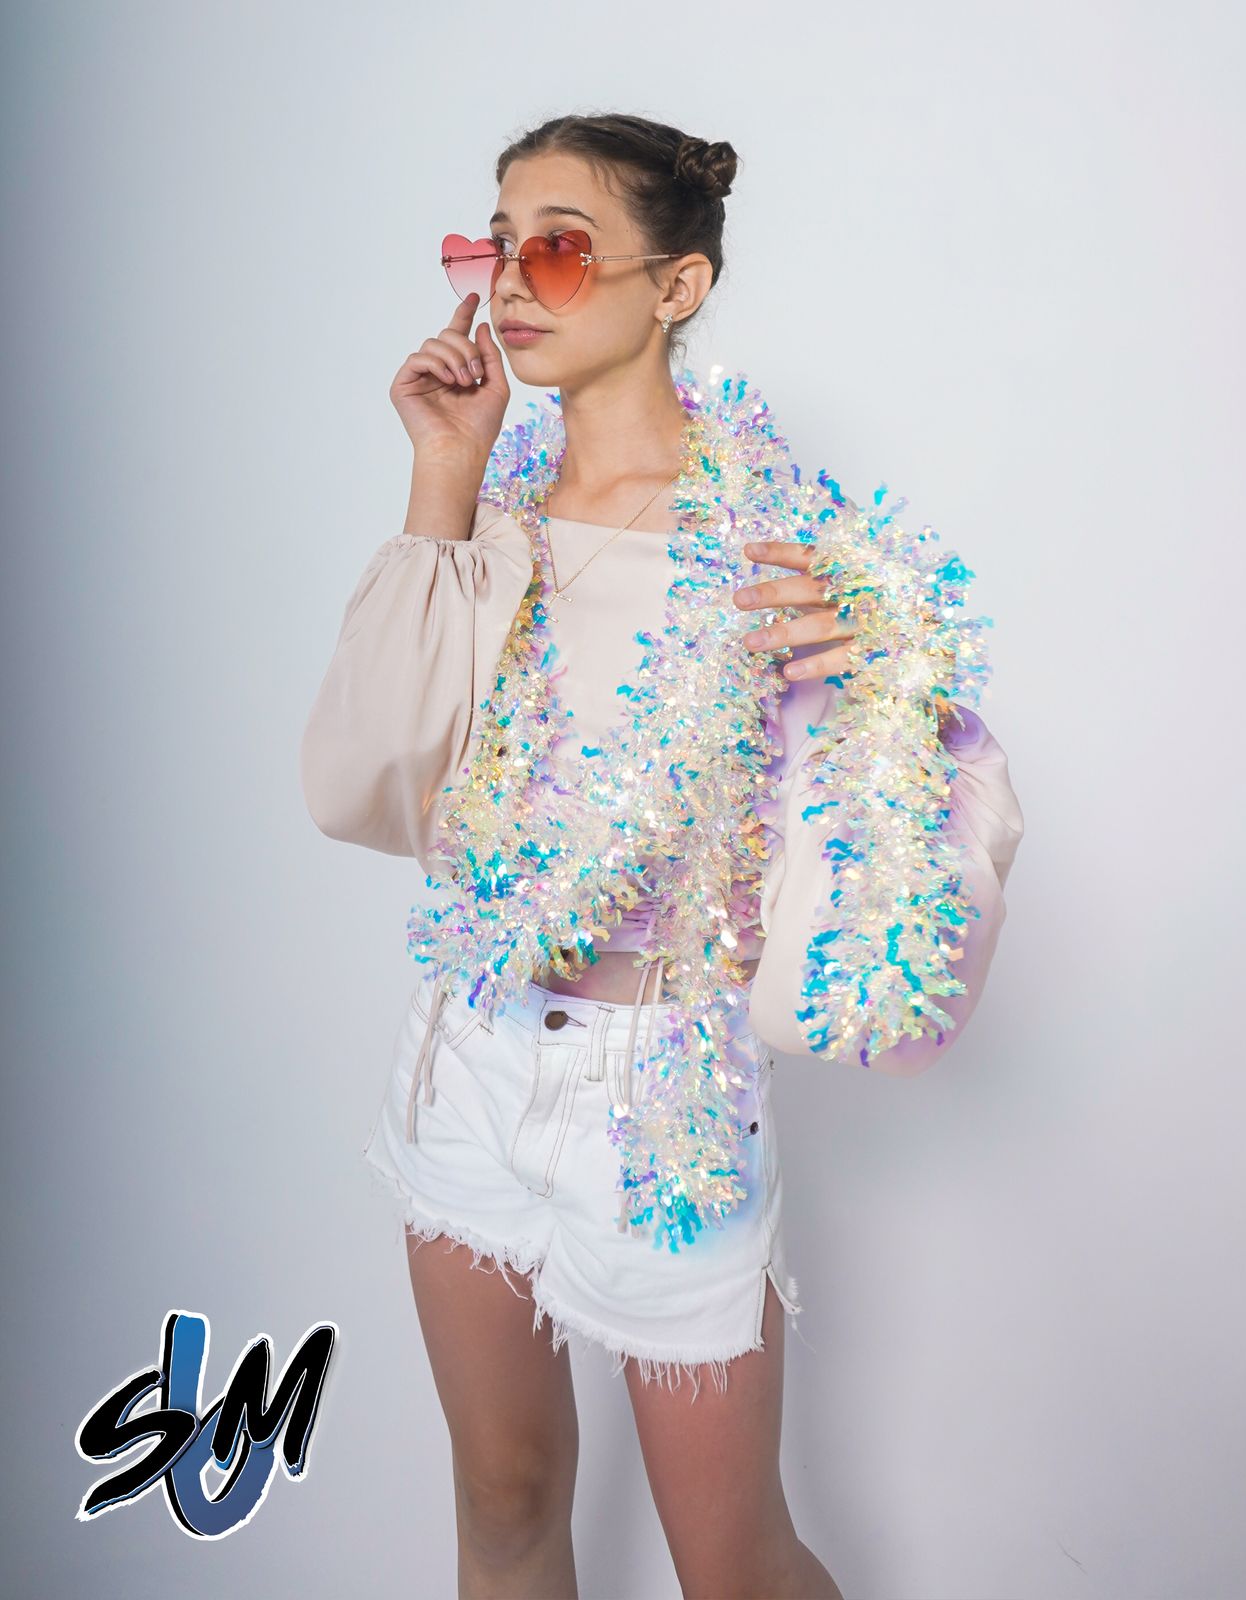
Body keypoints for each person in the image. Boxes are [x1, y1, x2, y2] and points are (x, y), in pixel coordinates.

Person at [301, 112, 1024, 1600]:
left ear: (677, 286)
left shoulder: (780, 544)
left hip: (665, 1099)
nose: (512, 282)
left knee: (732, 1564)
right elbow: (375, 781)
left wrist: (885, 671)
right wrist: (443, 476)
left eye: (560, 250)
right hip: (473, 1056)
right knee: (503, 1499)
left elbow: (914, 833)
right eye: (493, 247)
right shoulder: (493, 521)